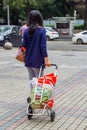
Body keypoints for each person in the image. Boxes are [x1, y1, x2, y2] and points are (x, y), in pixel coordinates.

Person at [22, 10, 50, 82]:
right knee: (40, 82)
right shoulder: (42, 30)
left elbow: (23, 46)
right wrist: (46, 58)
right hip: (38, 61)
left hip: (28, 60)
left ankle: (32, 93)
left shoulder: (26, 31)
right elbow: (43, 46)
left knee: (32, 82)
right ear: (39, 18)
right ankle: (38, 93)